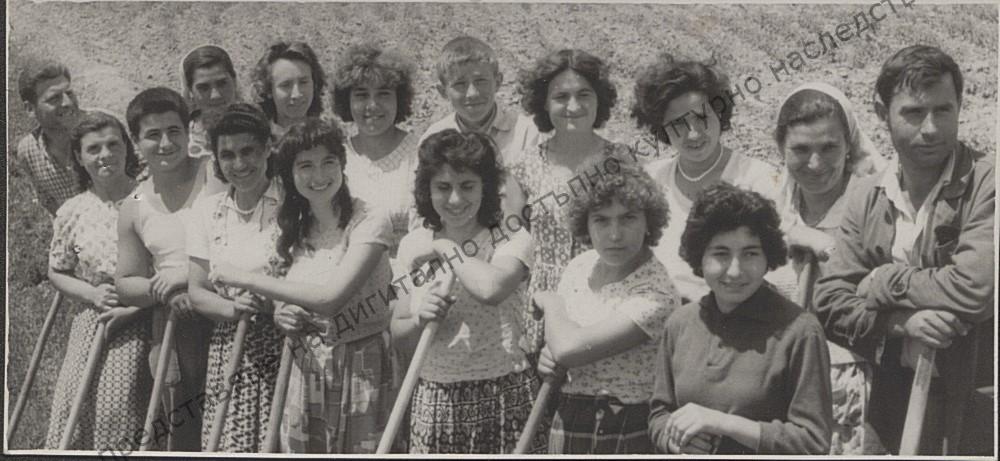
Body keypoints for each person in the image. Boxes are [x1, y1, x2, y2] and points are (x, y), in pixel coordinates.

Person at [813, 45, 995, 455]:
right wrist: (900, 324)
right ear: (882, 113)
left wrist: (883, 279)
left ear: (960, 106)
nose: (930, 129)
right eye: (914, 112)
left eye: (943, 110)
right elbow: (830, 302)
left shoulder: (988, 183)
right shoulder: (867, 195)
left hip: (976, 400)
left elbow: (976, 288)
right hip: (890, 398)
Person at [207, 117, 396, 453]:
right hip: (305, 366)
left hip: (362, 365)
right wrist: (282, 313)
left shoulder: (369, 221)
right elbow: (286, 289)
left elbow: (329, 298)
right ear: (290, 175)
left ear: (342, 164)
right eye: (305, 166)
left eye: (328, 162)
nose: (318, 175)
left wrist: (245, 278)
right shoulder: (293, 226)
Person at [649, 183, 833, 455]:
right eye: (720, 254)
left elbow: (813, 442)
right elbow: (659, 413)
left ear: (768, 257)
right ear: (700, 257)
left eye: (750, 254)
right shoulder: (680, 323)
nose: (735, 271)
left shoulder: (800, 331)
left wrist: (724, 423)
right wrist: (674, 439)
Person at [390, 130, 543, 454]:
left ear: (486, 187)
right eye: (443, 187)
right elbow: (398, 332)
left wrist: (446, 248)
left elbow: (490, 288)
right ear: (427, 190)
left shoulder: (511, 238)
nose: (456, 199)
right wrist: (419, 319)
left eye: (467, 186)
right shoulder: (412, 246)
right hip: (436, 397)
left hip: (503, 392)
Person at [770, 82, 886, 454]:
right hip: (784, 382)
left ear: (849, 144)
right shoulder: (777, 208)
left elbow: (881, 286)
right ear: (781, 148)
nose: (816, 164)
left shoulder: (875, 201)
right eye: (801, 150)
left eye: (829, 148)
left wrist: (825, 247)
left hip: (858, 385)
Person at [532, 161, 679, 454]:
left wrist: (550, 301)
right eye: (601, 220)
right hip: (569, 416)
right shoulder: (579, 266)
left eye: (628, 218)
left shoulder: (656, 291)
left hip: (625, 423)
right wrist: (547, 358)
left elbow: (569, 348)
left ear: (649, 221)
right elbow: (561, 345)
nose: (614, 234)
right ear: (584, 223)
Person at [505, 48, 636, 358]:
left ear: (599, 99)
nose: (573, 106)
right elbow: (512, 242)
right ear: (544, 103)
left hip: (604, 294)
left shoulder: (621, 160)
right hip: (543, 300)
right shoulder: (524, 166)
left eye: (584, 94)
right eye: (561, 97)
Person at [631, 54, 781, 303]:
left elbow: (776, 268)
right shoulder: (651, 180)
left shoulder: (758, 179)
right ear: (662, 128)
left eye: (702, 118)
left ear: (719, 114)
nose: (693, 134)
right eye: (678, 124)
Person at [115, 87, 213, 451]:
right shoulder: (136, 201)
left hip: (226, 309)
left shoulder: (212, 172)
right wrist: (165, 289)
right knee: (179, 425)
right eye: (153, 135)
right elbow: (126, 282)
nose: (166, 144)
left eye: (174, 131)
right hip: (175, 321)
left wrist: (186, 275)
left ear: (189, 131)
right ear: (136, 141)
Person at [44, 110, 149, 449]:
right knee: (72, 402)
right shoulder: (73, 210)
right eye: (93, 149)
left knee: (117, 407)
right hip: (94, 316)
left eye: (113, 144)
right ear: (79, 157)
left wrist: (135, 306)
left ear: (126, 148)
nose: (105, 155)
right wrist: (91, 295)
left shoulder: (149, 198)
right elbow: (57, 270)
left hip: (144, 314)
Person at [186, 103, 284, 452]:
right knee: (231, 443)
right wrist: (233, 309)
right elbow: (197, 290)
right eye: (227, 155)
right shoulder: (206, 211)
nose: (239, 164)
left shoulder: (292, 203)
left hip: (286, 339)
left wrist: (271, 299)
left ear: (267, 148)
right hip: (229, 345)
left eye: (248, 151)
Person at [332, 43, 421, 255]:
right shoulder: (335, 157)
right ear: (347, 101)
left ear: (399, 98)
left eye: (383, 94)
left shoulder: (421, 152)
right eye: (362, 95)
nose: (372, 105)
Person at [418, 36, 539, 167]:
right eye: (460, 84)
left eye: (481, 81)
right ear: (443, 91)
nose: (472, 94)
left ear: (498, 82)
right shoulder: (433, 139)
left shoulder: (527, 134)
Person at [15, 59, 83, 215]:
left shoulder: (103, 129)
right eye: (54, 98)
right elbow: (46, 199)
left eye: (69, 93)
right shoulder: (28, 151)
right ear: (30, 109)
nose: (67, 103)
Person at [252, 41, 326, 139]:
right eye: (286, 85)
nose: (297, 94)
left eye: (303, 82)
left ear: (314, 84)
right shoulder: (258, 141)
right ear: (269, 90)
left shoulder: (328, 139)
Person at [180, 45, 241, 160]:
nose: (215, 95)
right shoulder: (180, 143)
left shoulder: (262, 130)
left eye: (222, 83)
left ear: (234, 81)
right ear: (190, 91)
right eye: (204, 88)